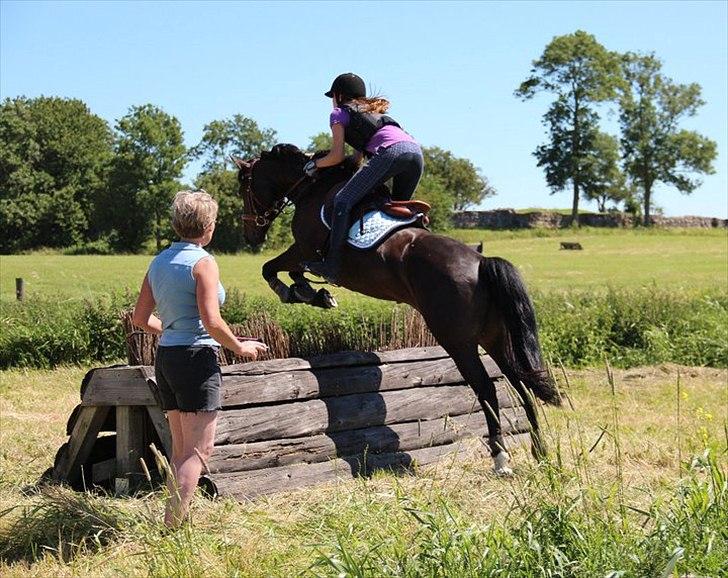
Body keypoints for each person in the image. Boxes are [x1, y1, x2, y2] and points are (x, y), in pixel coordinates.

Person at [132, 190, 267, 527]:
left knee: (180, 453)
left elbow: (140, 318)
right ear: (207, 227)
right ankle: (171, 530)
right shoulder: (203, 263)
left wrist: (171, 328)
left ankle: (174, 520)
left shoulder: (159, 261)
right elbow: (212, 322)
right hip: (196, 360)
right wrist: (240, 347)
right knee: (197, 453)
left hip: (167, 358)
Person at [302, 72, 424, 284]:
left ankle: (331, 265)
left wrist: (314, 164)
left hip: (392, 153)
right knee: (397, 212)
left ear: (338, 96)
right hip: (415, 153)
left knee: (342, 200)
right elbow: (356, 160)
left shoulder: (339, 113)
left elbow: (336, 156)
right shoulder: (374, 113)